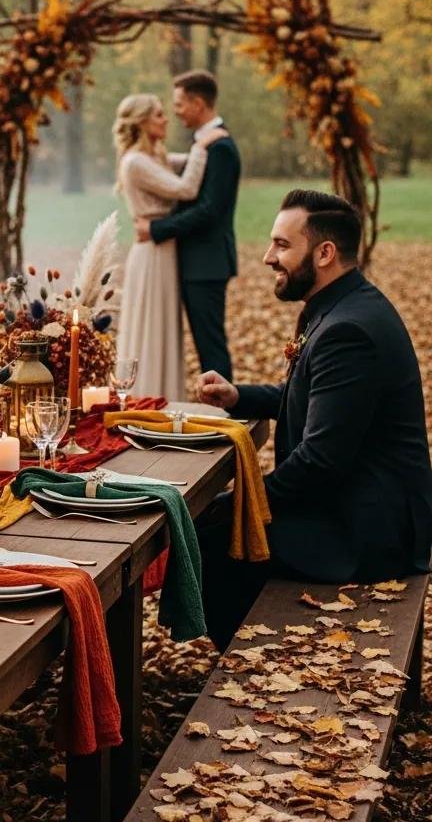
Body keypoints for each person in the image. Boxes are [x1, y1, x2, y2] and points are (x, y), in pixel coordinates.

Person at [195, 190, 432, 650]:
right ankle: (245, 652)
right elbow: (318, 399)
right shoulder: (343, 306)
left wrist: (238, 501)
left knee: (211, 533)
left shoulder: (348, 330)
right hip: (355, 503)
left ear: (325, 253)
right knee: (216, 525)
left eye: (282, 245)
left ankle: (248, 663)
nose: (268, 257)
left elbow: (320, 462)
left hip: (367, 533)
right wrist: (239, 395)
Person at [113, 94, 228, 400]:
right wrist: (202, 146)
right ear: (142, 122)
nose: (166, 119)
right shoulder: (136, 162)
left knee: (163, 328)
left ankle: (163, 396)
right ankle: (147, 396)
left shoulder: (155, 157)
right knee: (151, 328)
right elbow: (186, 188)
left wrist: (203, 146)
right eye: (159, 115)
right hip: (151, 253)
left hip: (163, 249)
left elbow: (188, 165)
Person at [134, 70, 241, 380]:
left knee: (210, 346)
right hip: (194, 261)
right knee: (204, 344)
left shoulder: (220, 147)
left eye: (179, 104)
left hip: (206, 264)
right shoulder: (206, 144)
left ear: (197, 103)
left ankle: (225, 413)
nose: (175, 111)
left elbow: (210, 210)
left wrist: (156, 229)